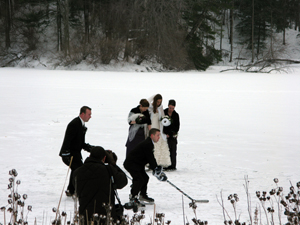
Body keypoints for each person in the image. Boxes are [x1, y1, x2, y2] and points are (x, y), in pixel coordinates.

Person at [73, 147, 128, 224]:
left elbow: (75, 188)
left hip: (85, 216)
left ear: (89, 156)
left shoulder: (77, 172)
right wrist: (113, 164)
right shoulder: (108, 170)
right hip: (106, 215)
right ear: (104, 158)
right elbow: (123, 181)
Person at [123, 128, 167, 207]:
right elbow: (150, 157)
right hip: (131, 164)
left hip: (138, 164)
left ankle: (142, 195)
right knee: (139, 179)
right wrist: (155, 168)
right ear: (152, 135)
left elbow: (150, 158)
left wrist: (156, 168)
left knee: (145, 178)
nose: (159, 137)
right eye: (157, 135)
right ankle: (133, 197)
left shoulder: (149, 143)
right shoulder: (148, 144)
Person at [59, 106, 94, 197]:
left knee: (77, 170)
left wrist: (92, 149)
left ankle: (71, 190)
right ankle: (75, 191)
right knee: (79, 170)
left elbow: (81, 143)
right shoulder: (74, 124)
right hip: (69, 155)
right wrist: (66, 155)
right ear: (83, 114)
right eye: (89, 114)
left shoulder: (81, 124)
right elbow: (67, 141)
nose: (90, 116)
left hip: (75, 155)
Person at [147, 94, 171, 167]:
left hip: (158, 127)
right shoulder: (150, 108)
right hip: (152, 127)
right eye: (157, 102)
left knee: (160, 144)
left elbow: (163, 117)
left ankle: (160, 162)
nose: (159, 103)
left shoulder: (160, 108)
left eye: (160, 102)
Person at [163, 100, 180, 171]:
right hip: (164, 134)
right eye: (170, 108)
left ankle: (173, 165)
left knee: (173, 149)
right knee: (165, 149)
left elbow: (177, 127)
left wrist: (171, 133)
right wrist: (165, 133)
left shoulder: (176, 115)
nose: (171, 110)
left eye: (172, 108)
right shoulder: (164, 113)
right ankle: (165, 164)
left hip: (172, 135)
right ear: (168, 106)